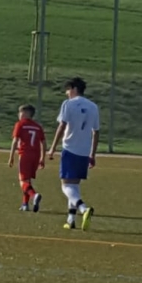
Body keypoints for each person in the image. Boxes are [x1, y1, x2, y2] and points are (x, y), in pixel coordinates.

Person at [47, 77, 100, 231]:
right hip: (84, 151)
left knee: (65, 186)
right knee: (74, 186)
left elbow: (62, 126)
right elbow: (96, 132)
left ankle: (83, 208)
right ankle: (71, 219)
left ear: (74, 89)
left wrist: (52, 148)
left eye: (68, 89)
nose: (66, 93)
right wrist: (92, 154)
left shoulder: (68, 104)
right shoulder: (93, 106)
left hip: (70, 149)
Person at [8, 104, 46, 212]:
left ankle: (34, 195)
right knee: (27, 180)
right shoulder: (37, 126)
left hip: (25, 154)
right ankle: (25, 204)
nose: (19, 114)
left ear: (26, 113)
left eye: (20, 112)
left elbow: (15, 141)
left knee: (22, 181)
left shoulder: (20, 124)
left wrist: (11, 157)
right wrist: (42, 158)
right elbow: (43, 142)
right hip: (36, 155)